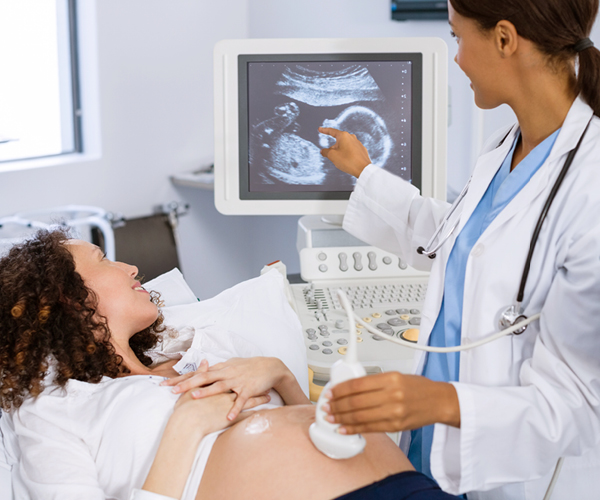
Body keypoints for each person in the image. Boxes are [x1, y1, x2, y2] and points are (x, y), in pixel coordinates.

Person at [318, 0, 600, 498]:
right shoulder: (506, 145)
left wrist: (441, 403)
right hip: (433, 448)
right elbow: (458, 241)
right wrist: (363, 172)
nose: (457, 59)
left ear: (505, 38)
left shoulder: (590, 190)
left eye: (456, 37)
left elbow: (578, 404)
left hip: (514, 473)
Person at [0, 229, 461, 500]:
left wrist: (280, 374)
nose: (130, 269)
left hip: (400, 485)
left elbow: (310, 434)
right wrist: (185, 429)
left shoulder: (191, 355)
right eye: (104, 260)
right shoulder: (53, 409)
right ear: (62, 297)